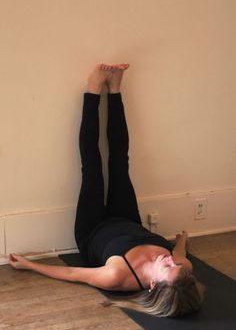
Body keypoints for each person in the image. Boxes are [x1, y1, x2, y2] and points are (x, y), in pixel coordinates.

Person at [9, 64, 204, 317]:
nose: (171, 260)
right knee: (120, 161)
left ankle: (92, 90)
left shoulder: (117, 276)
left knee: (92, 167)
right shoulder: (182, 265)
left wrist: (30, 266)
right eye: (176, 263)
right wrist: (182, 242)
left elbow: (73, 273)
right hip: (126, 220)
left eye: (169, 266)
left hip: (93, 229)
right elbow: (179, 255)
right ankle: (114, 89)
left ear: (153, 285)